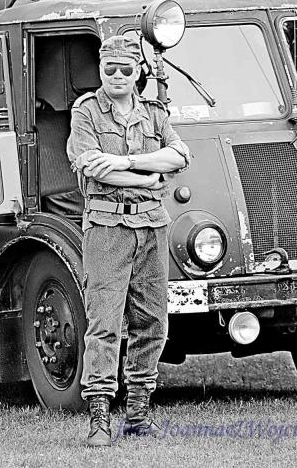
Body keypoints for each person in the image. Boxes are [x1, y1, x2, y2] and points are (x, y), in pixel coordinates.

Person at [66, 35, 191, 447]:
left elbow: (180, 156)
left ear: (138, 72)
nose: (117, 76)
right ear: (100, 70)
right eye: (109, 69)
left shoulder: (154, 113)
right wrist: (149, 178)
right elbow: (91, 166)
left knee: (153, 322)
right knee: (104, 324)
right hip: (107, 227)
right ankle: (99, 417)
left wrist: (126, 161)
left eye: (125, 69)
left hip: (152, 225)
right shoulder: (86, 111)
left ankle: (138, 413)